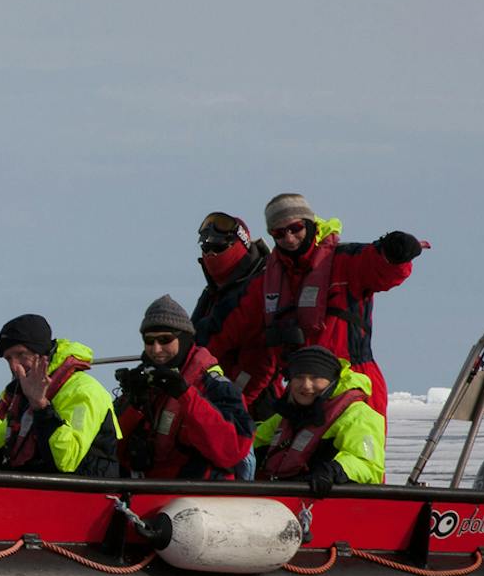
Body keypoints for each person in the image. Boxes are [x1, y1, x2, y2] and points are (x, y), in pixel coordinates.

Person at [208, 192, 424, 416]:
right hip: (302, 391)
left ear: (309, 223)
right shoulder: (266, 281)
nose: (289, 238)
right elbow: (226, 329)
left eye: (296, 228)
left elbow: (380, 268)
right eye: (279, 233)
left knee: (354, 451)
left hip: (355, 387)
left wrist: (395, 253)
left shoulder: (346, 261)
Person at [0, 314, 121, 475]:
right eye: (8, 359)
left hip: (85, 497)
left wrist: (42, 407)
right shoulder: (24, 396)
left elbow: (66, 459)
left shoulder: (84, 391)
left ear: (43, 354)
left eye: (21, 355)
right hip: (37, 492)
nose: (15, 366)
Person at [113, 295, 255, 480]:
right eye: (149, 341)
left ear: (185, 339)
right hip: (148, 492)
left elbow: (233, 450)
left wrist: (184, 394)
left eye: (165, 339)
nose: (156, 349)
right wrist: (133, 405)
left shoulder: (216, 387)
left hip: (198, 498)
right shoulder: (146, 384)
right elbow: (114, 450)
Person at [253, 346, 386, 491]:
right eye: (298, 377)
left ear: (332, 381)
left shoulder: (359, 415)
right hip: (283, 499)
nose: (306, 385)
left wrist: (333, 471)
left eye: (315, 378)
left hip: (328, 503)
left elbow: (368, 465)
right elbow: (253, 441)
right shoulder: (286, 416)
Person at [188, 211, 272, 409]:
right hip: (214, 394)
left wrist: (235, 402)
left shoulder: (257, 289)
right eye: (207, 248)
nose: (212, 255)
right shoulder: (213, 293)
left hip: (255, 407)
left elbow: (261, 362)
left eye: (218, 247)